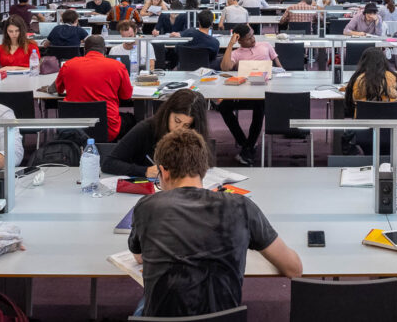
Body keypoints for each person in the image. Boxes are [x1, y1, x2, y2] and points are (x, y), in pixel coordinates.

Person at [127, 130, 302, 317]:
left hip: (163, 320)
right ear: (204, 170)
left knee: (146, 300)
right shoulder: (241, 206)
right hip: (223, 319)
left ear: (164, 172)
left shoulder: (147, 207)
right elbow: (294, 269)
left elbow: (139, 257)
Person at [101, 89, 210, 177]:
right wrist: (144, 171)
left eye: (186, 125)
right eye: (177, 121)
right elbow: (108, 163)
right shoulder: (146, 129)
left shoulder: (193, 135)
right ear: (167, 113)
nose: (179, 129)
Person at [220, 23, 282, 165]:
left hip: (264, 91)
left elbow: (279, 66)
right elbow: (225, 67)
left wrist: (281, 72)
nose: (253, 40)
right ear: (239, 40)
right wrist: (230, 44)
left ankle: (248, 147)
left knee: (260, 104)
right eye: (248, 38)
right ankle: (246, 144)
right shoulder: (236, 53)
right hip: (244, 92)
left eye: (253, 36)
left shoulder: (265, 45)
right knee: (223, 106)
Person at [53, 35, 133, 142]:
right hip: (108, 128)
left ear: (84, 50)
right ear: (105, 50)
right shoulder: (118, 66)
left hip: (73, 129)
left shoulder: (68, 65)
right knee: (131, 119)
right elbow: (126, 95)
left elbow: (59, 90)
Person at [343, 47, 397, 118]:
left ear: (363, 62)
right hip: (392, 125)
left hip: (363, 125)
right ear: (384, 61)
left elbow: (349, 107)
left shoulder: (357, 79)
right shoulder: (395, 78)